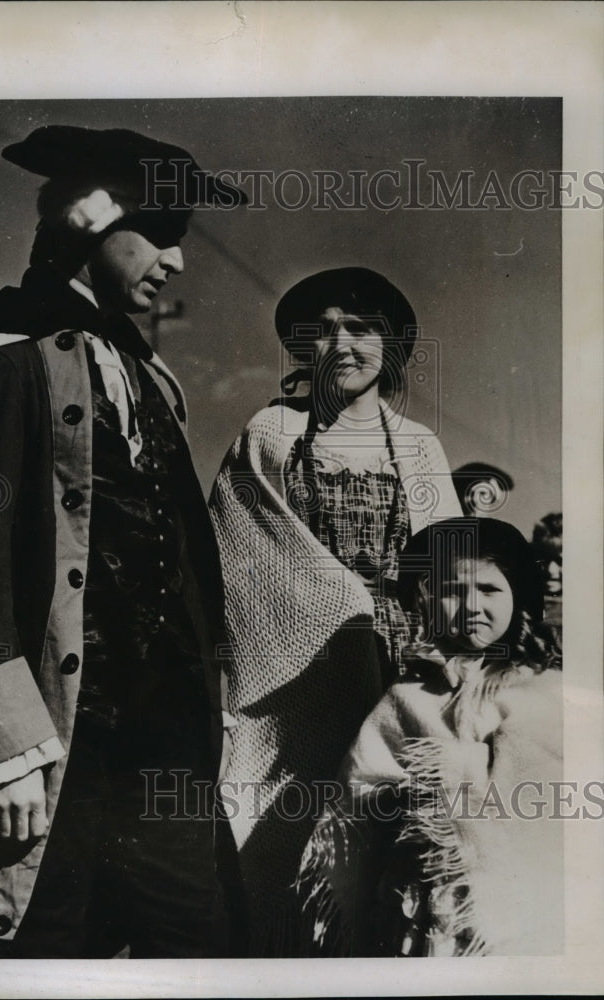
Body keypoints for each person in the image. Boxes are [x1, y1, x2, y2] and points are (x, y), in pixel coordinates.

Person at [0, 125, 248, 959]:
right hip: (55, 741)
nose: (176, 263)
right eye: (161, 235)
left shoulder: (149, 377)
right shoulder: (0, 355)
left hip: (164, 738)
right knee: (41, 943)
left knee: (192, 942)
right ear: (88, 224)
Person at [209, 267, 460, 954]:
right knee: (287, 856)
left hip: (396, 681)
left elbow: (449, 569)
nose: (340, 345)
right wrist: (339, 608)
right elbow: (239, 556)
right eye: (321, 333)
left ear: (391, 346)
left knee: (391, 860)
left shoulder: (420, 447)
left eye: (359, 329)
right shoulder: (271, 433)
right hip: (302, 681)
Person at [298, 517, 563, 957]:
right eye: (452, 591)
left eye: (489, 590)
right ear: (424, 602)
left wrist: (457, 773)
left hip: (522, 900)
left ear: (519, 598)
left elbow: (553, 792)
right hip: (424, 899)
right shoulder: (408, 699)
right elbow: (359, 791)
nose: (472, 605)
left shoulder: (540, 689)